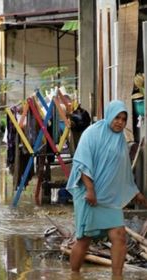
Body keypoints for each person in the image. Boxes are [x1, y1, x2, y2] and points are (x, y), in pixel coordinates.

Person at [66, 100, 147, 277]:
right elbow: (82, 162)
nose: (119, 122)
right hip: (89, 195)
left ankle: (117, 276)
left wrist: (135, 192)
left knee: (119, 235)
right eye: (117, 117)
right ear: (109, 115)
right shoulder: (92, 133)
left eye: (123, 119)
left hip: (108, 198)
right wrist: (90, 189)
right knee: (84, 239)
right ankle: (74, 274)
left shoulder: (120, 140)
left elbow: (122, 171)